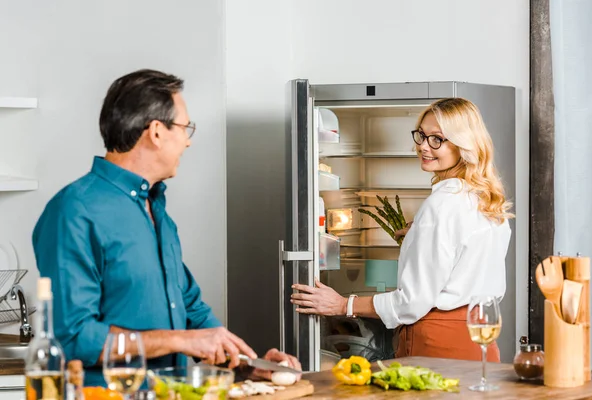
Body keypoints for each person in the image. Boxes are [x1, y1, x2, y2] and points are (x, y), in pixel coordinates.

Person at [32, 69, 300, 386]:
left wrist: (246, 363)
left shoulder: (156, 210)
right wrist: (178, 341)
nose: (187, 142)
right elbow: (73, 337)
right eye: (186, 128)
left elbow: (189, 308)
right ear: (157, 132)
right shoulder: (75, 211)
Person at [291, 98, 513, 362]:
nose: (423, 147)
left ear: (464, 145)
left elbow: (411, 303)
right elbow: (465, 256)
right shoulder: (488, 200)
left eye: (437, 139)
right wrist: (419, 234)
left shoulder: (441, 205)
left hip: (438, 344)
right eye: (421, 135)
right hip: (479, 342)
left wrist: (342, 304)